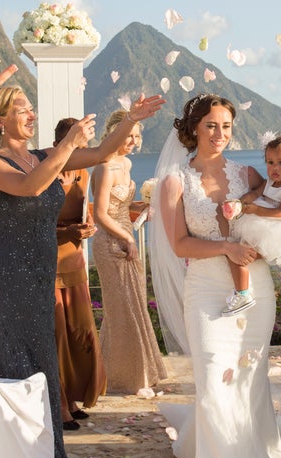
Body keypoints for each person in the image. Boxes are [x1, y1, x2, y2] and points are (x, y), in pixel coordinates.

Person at [0, 86, 165, 458]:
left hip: (42, 274)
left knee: (45, 366)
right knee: (20, 366)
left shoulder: (45, 156)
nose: (31, 114)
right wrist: (66, 144)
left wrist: (131, 118)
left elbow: (101, 154)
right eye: (22, 110)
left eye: (30, 108)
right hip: (12, 277)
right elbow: (30, 187)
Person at [151, 94, 281, 458]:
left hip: (253, 290)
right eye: (211, 126)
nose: (219, 134)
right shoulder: (174, 181)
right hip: (205, 290)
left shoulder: (249, 173)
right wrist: (226, 246)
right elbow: (179, 243)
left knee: (246, 375)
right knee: (213, 376)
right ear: (193, 129)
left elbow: (276, 216)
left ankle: (251, 455)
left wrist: (265, 244)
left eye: (226, 126)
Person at [91, 110, 167, 394]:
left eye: (137, 136)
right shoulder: (103, 166)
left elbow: (120, 205)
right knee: (120, 310)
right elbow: (100, 214)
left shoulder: (126, 163)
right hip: (111, 243)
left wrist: (145, 204)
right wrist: (127, 238)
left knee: (133, 306)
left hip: (127, 237)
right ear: (114, 134)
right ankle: (123, 377)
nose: (134, 141)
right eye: (129, 136)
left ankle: (137, 372)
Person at [52, 117, 106, 431]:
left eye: (85, 145)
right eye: (77, 144)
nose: (82, 151)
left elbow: (84, 210)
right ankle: (60, 407)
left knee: (79, 335)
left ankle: (73, 398)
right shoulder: (45, 173)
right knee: (58, 338)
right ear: (61, 142)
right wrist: (67, 229)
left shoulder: (83, 173)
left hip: (75, 262)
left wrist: (86, 228)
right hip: (51, 262)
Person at [222, 135, 281, 316]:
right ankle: (242, 290)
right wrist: (239, 203)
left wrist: (254, 210)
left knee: (239, 254)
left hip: (279, 228)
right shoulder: (270, 182)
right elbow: (255, 192)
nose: (274, 168)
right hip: (262, 222)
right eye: (270, 163)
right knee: (237, 252)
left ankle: (243, 293)